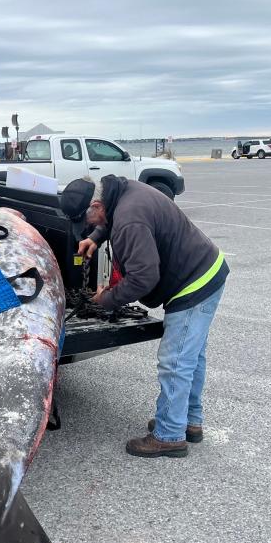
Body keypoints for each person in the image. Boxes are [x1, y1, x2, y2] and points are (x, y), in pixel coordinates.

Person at [59, 175, 229, 458]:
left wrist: (107, 300)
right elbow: (112, 219)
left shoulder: (128, 220)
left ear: (98, 204)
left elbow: (144, 278)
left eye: (88, 221)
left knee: (175, 361)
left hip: (194, 283)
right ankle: (187, 421)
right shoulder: (121, 190)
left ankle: (169, 435)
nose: (88, 226)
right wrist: (95, 237)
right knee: (191, 356)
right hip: (207, 270)